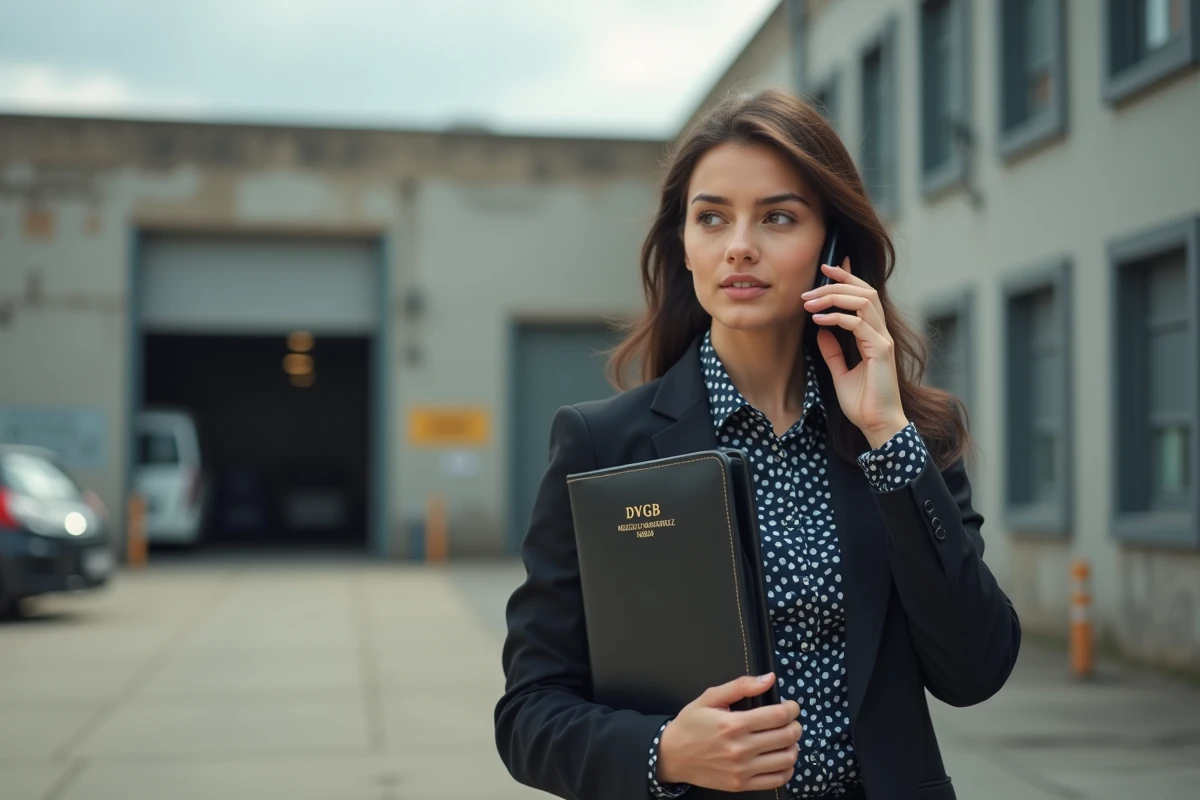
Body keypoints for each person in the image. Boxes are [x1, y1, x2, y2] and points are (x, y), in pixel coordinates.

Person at [493, 88, 1020, 800]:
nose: (740, 244)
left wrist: (888, 439)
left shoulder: (908, 438)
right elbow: (529, 713)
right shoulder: (601, 444)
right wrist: (663, 751)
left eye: (778, 217)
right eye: (712, 217)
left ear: (832, 247)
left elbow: (975, 669)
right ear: (683, 244)